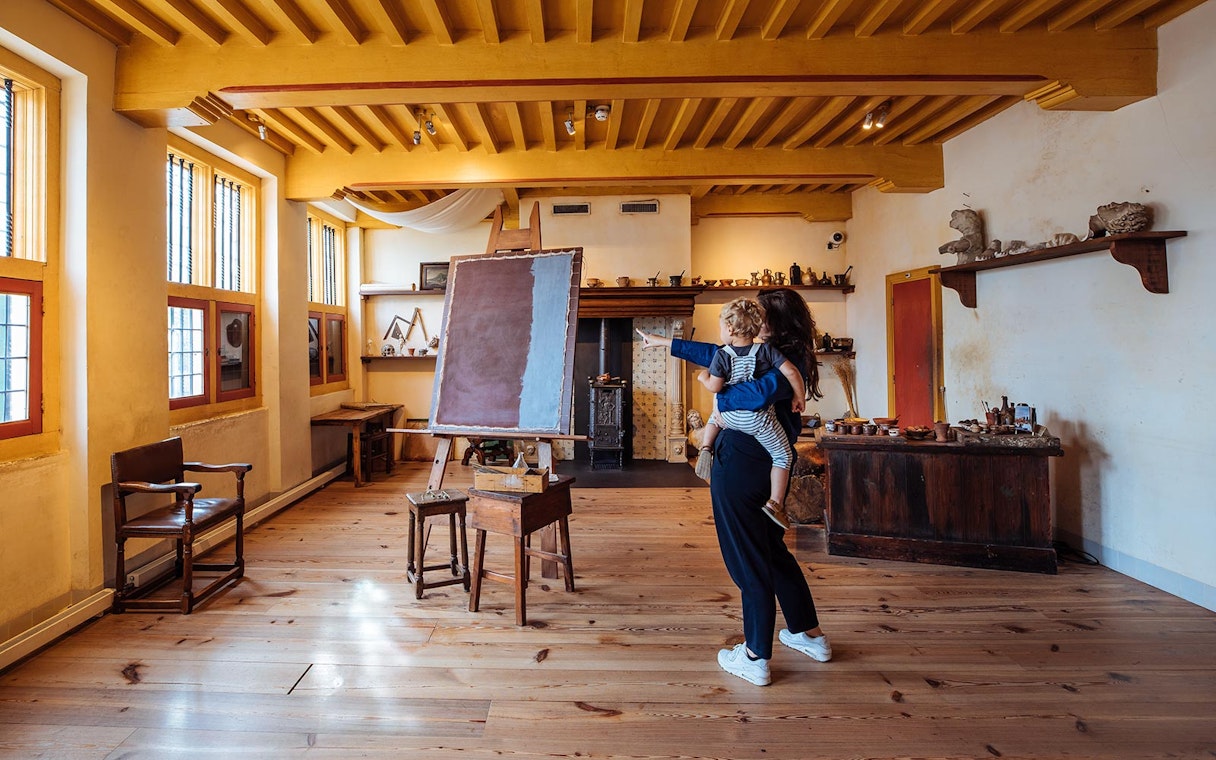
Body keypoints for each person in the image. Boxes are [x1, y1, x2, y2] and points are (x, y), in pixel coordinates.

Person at [674, 287, 832, 686]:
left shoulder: (771, 364)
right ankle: (806, 633)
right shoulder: (776, 356)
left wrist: (713, 383)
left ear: (773, 320)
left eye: (758, 314)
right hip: (761, 463)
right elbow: (716, 350)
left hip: (741, 465)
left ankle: (755, 655)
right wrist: (671, 345)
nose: (751, 321)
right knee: (771, 551)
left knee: (747, 558)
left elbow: (733, 388)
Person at [637, 298, 805, 529]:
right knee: (783, 457)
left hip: (734, 427)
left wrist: (711, 386)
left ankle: (705, 446)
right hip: (757, 424)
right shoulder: (766, 352)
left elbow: (753, 394)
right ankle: (776, 503)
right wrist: (661, 341)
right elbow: (705, 351)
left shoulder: (729, 355)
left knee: (715, 415)